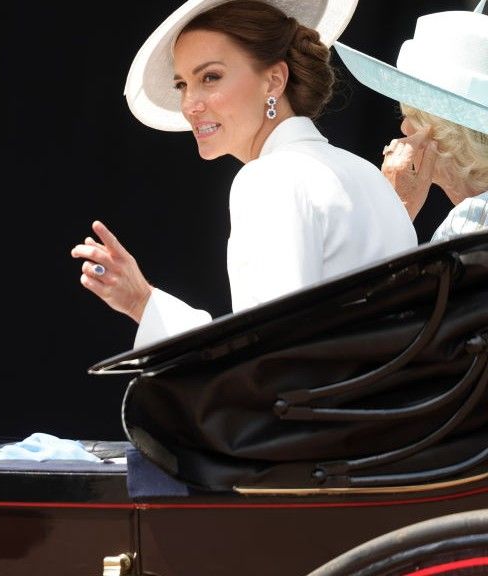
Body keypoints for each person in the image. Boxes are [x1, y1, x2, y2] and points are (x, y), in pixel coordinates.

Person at [71, 0, 417, 349]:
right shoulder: (368, 175)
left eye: (210, 77)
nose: (190, 103)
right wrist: (143, 303)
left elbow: (267, 357)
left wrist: (145, 304)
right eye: (181, 85)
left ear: (274, 80)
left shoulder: (268, 179)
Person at [334, 2, 488, 242]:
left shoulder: (471, 221)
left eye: (414, 116)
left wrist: (396, 207)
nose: (404, 128)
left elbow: (378, 279)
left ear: (450, 137)